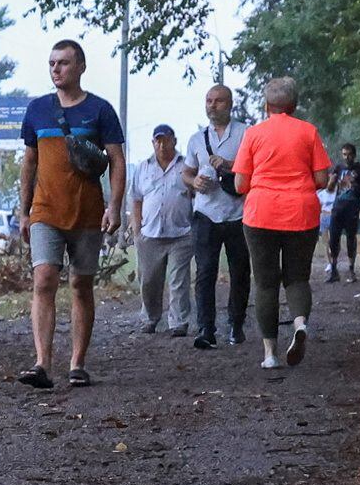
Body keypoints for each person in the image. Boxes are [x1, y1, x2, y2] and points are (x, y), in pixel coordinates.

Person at [17, 40, 125, 388]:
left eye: (63, 63)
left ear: (80, 67)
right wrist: (24, 212)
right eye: (52, 63)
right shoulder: (37, 110)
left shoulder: (100, 110)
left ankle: (77, 363)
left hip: (87, 212)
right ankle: (42, 364)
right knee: (44, 279)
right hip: (45, 211)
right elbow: (29, 163)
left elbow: (116, 160)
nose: (56, 69)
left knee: (81, 284)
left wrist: (114, 206)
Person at [233, 77, 330, 371]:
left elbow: (240, 184)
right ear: (294, 105)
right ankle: (299, 324)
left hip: (261, 213)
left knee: (265, 283)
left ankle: (270, 354)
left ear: (266, 105)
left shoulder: (253, 134)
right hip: (301, 211)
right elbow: (322, 179)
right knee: (297, 278)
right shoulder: (308, 131)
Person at [182, 83, 251, 350]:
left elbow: (258, 167)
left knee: (240, 271)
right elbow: (186, 172)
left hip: (239, 213)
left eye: (218, 101)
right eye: (209, 100)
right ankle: (206, 329)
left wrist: (230, 165)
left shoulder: (246, 133)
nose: (212, 105)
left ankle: (236, 323)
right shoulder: (196, 139)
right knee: (205, 272)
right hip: (206, 213)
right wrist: (194, 182)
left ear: (230, 104)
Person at [131, 123, 194, 336]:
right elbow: (136, 199)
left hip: (181, 233)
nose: (162, 145)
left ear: (174, 141)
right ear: (153, 143)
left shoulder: (185, 165)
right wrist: (137, 230)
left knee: (178, 280)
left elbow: (195, 194)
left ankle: (178, 322)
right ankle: (150, 318)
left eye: (166, 140)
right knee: (149, 280)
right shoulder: (143, 167)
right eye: (158, 141)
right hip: (150, 234)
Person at [325, 143, 360, 283]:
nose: (347, 157)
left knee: (351, 238)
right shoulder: (338, 168)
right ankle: (334, 270)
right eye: (344, 154)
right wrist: (331, 182)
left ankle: (351, 270)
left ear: (354, 155)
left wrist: (356, 187)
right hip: (338, 207)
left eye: (349, 154)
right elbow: (329, 189)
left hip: (352, 207)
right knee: (333, 238)